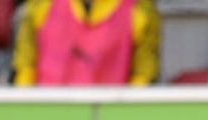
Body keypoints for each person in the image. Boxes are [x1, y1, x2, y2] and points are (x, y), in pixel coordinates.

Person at [13, 0, 159, 86]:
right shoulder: (40, 5)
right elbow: (25, 68)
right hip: (47, 117)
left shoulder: (140, 10)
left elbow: (143, 77)